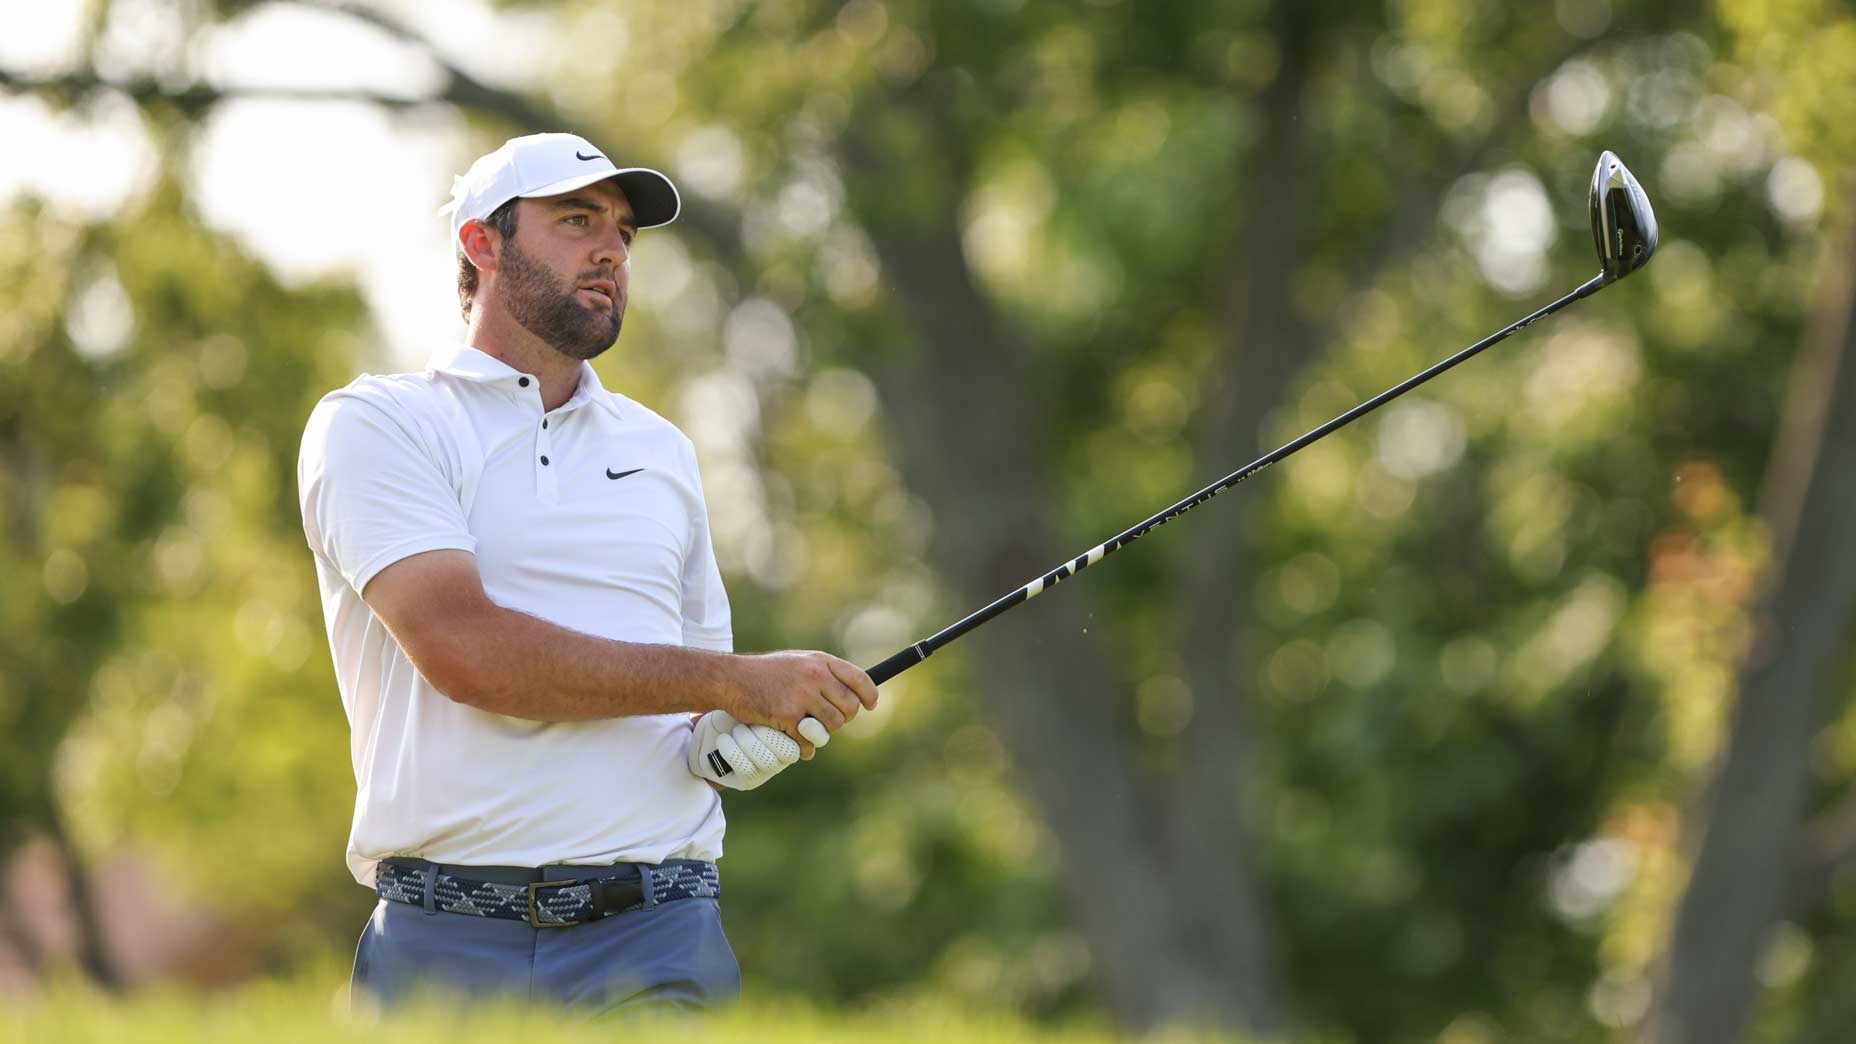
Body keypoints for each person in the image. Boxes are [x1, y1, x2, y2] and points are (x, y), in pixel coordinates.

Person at [295, 132, 877, 1014]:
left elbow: (698, 718)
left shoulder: (664, 452)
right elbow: (467, 654)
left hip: (655, 936)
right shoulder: (380, 424)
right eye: (575, 220)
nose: (611, 248)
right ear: (482, 246)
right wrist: (737, 682)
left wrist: (740, 737)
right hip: (443, 942)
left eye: (624, 233)